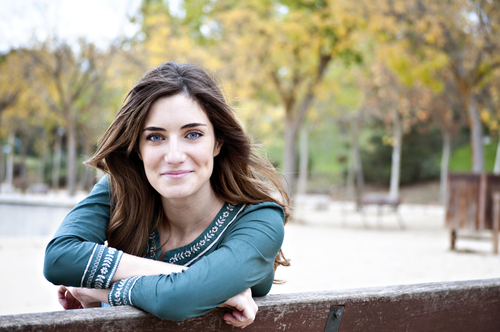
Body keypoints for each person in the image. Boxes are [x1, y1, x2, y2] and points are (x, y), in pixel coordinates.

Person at [43, 62, 291, 329]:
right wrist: (184, 277)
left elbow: (179, 299)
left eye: (193, 134)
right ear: (137, 148)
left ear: (218, 142)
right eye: (155, 137)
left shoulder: (262, 221)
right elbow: (59, 258)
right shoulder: (121, 188)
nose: (174, 156)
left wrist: (97, 291)